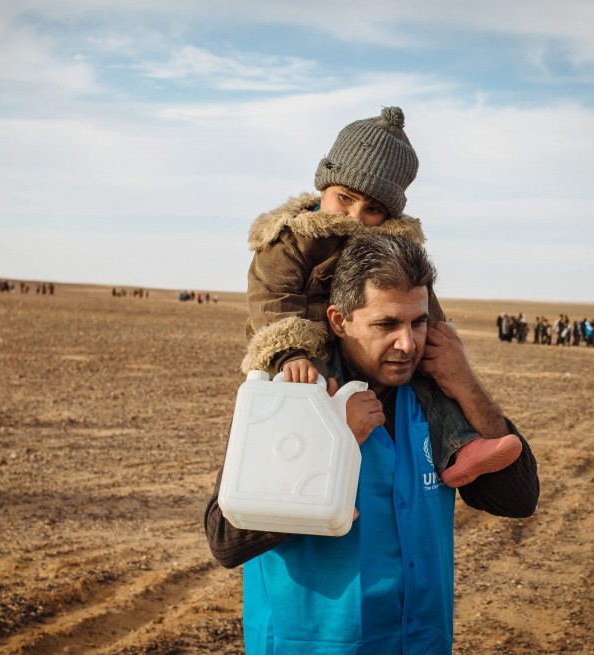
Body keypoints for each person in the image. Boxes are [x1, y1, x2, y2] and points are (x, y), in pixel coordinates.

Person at [206, 234, 539, 654]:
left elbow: (519, 499)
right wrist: (334, 444)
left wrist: (467, 385)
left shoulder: (434, 401)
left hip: (419, 642)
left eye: (418, 323)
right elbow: (224, 538)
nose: (408, 344)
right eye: (386, 324)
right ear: (339, 320)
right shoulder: (287, 394)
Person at [241, 107, 520, 489]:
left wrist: (439, 345)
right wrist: (291, 352)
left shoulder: (396, 248)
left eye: (373, 209)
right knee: (306, 401)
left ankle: (461, 449)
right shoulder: (292, 238)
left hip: (367, 353)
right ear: (324, 185)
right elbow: (271, 298)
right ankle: (318, 486)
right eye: (345, 198)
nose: (356, 216)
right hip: (305, 351)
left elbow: (423, 304)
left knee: (430, 378)